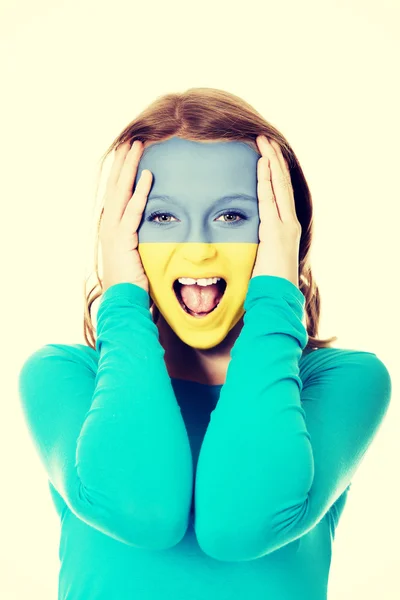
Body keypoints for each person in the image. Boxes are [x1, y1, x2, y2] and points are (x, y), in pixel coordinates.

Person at [18, 88, 392, 600]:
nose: (197, 249)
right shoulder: (61, 376)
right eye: (163, 218)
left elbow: (243, 524)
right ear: (121, 236)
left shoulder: (343, 381)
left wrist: (276, 298)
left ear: (281, 235)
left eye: (234, 217)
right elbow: (140, 510)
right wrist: (122, 303)